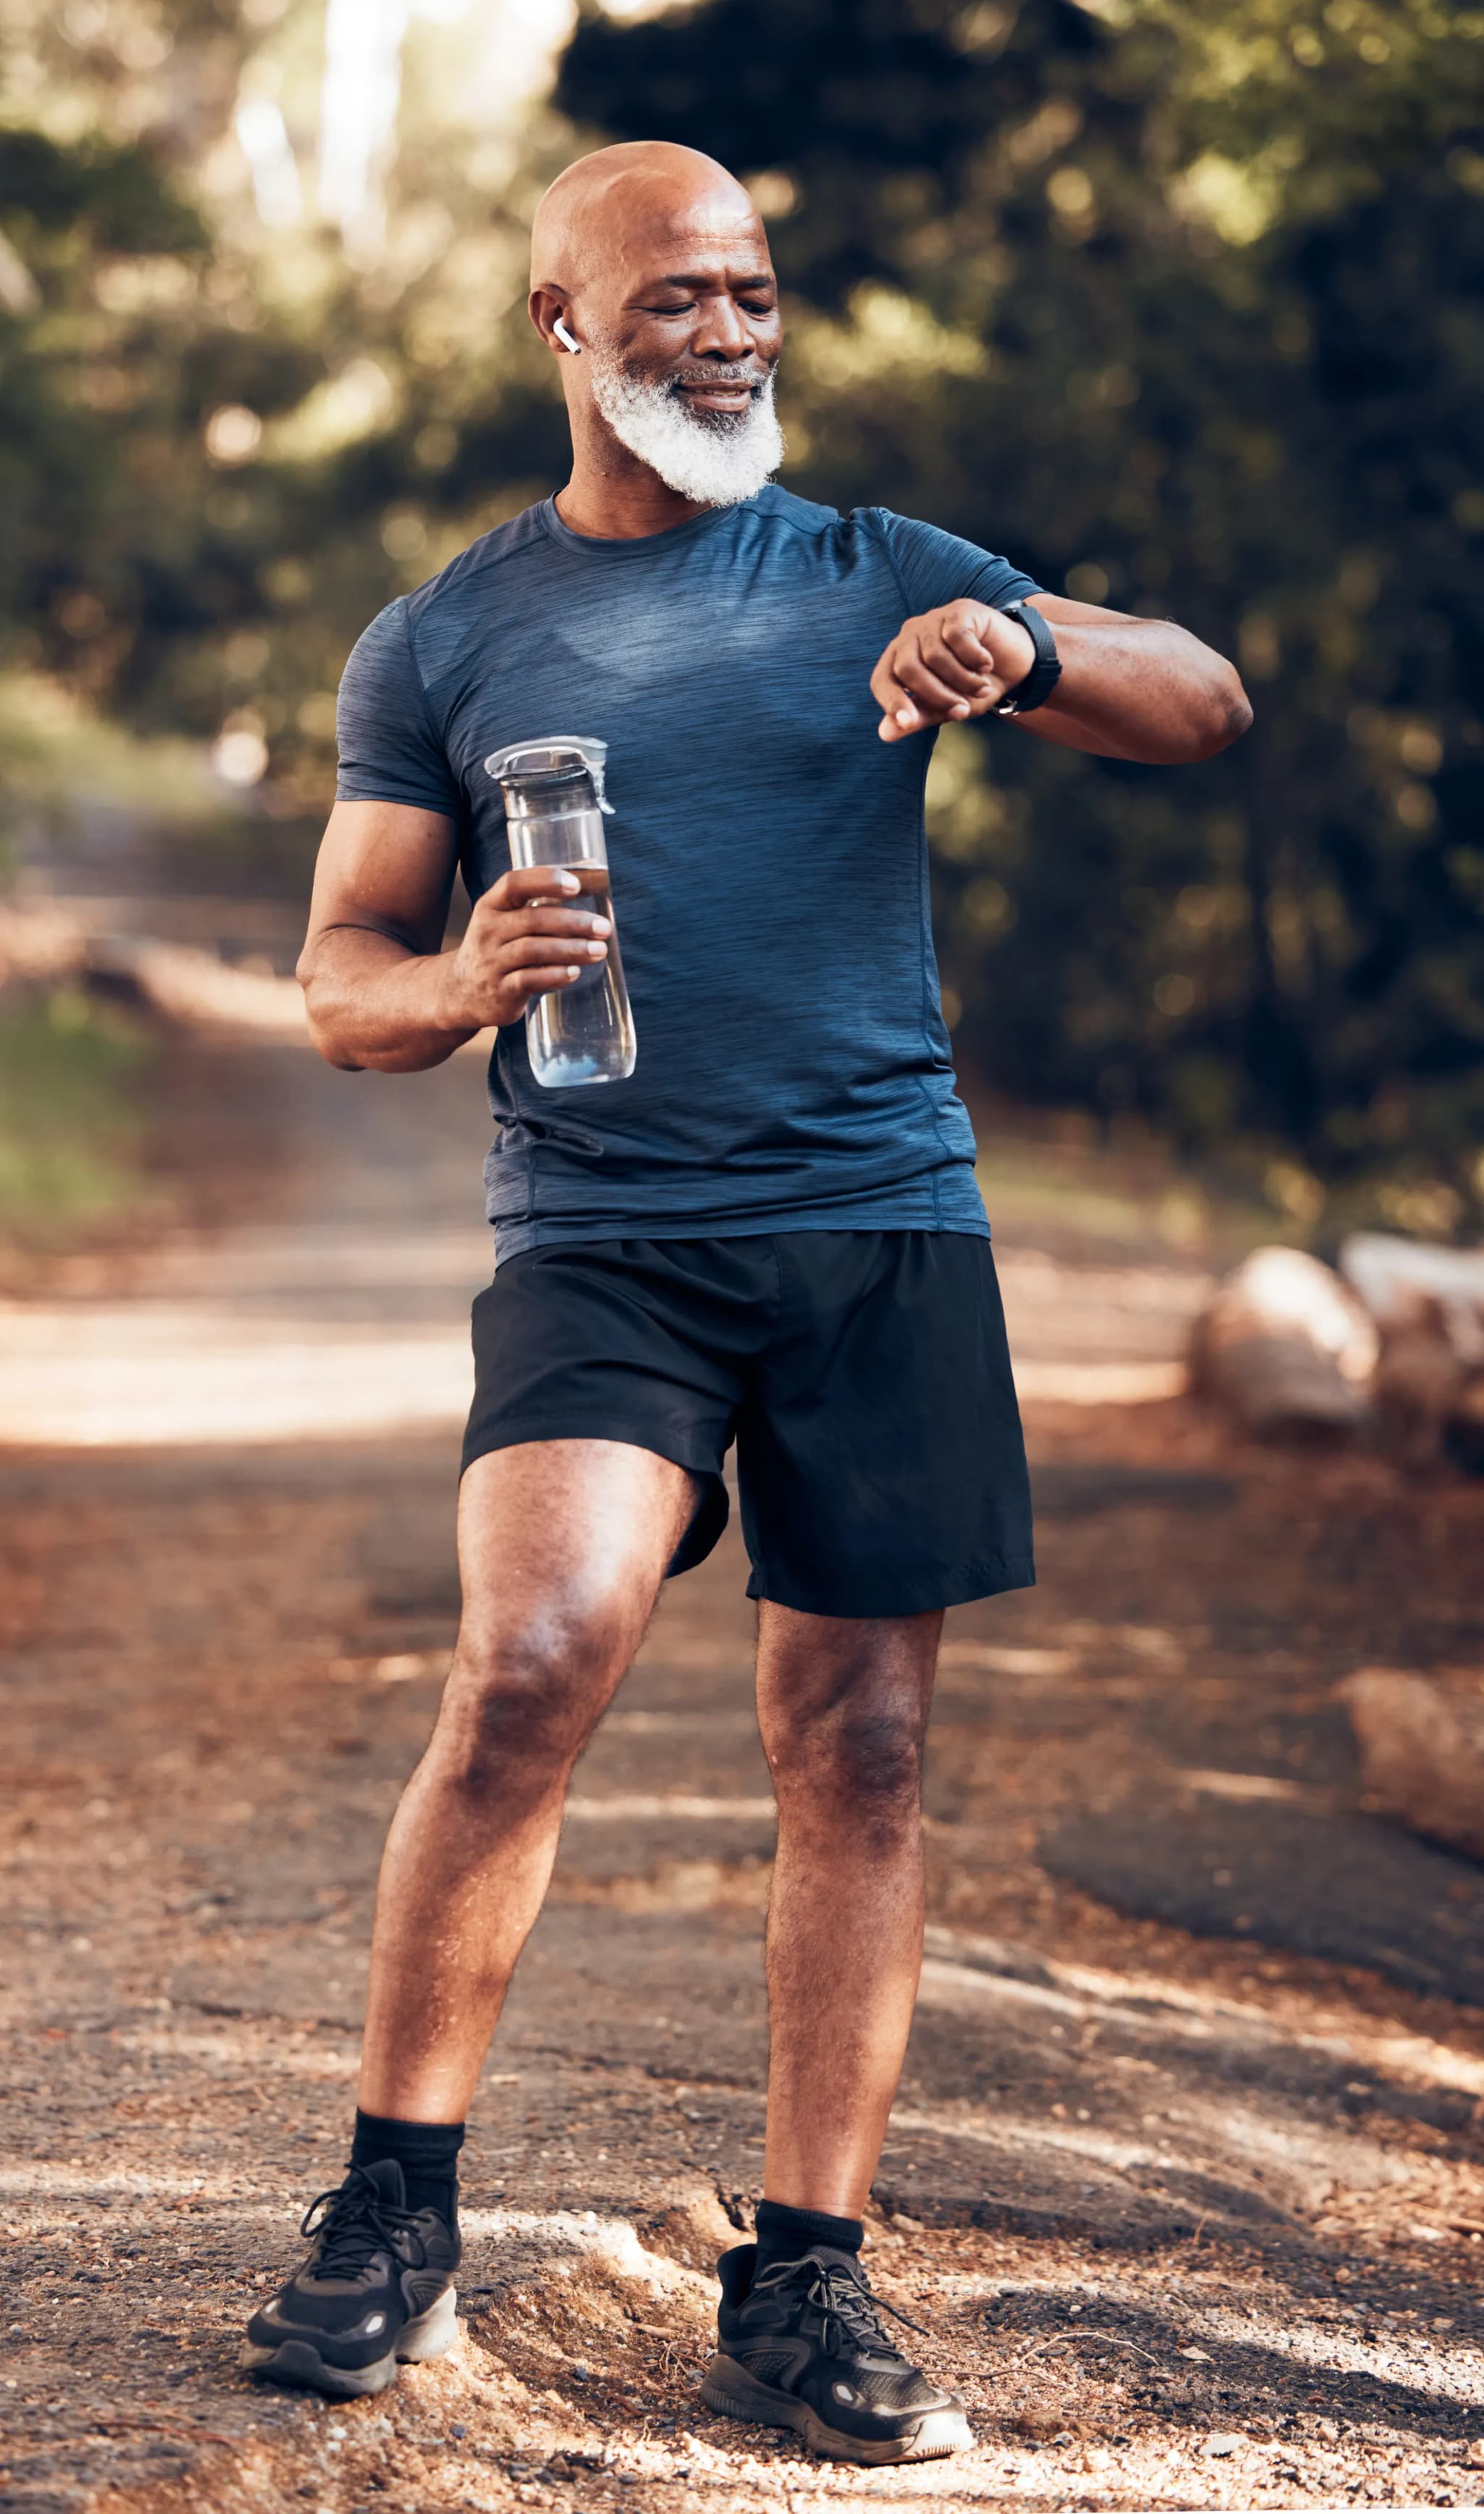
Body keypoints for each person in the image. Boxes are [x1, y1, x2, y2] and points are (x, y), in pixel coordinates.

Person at [242, 140, 1250, 2463]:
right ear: (561, 330)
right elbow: (331, 980)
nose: (730, 332)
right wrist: (454, 982)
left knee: (864, 1746)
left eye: (757, 294)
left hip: (884, 1223)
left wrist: (1040, 650)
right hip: (601, 1227)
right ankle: (395, 2211)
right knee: (531, 1655)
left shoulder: (885, 567)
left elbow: (1199, 704)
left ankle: (804, 2284)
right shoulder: (446, 638)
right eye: (679, 295)